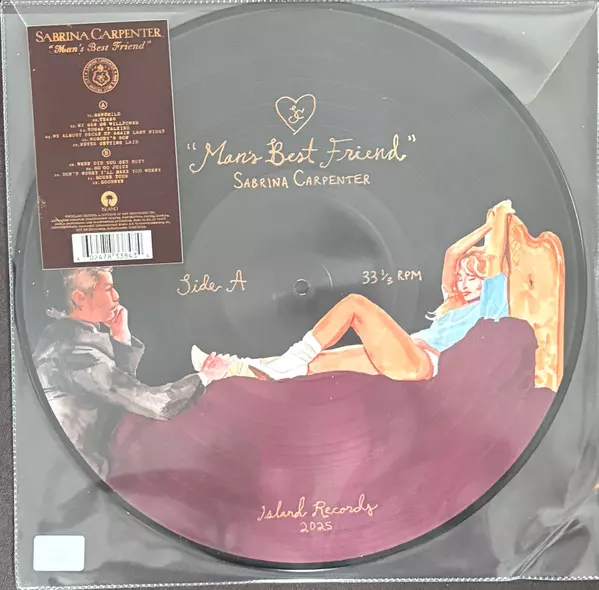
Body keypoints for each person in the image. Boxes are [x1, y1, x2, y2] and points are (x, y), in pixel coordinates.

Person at [192, 199, 514, 382]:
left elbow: (495, 260)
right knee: (313, 366)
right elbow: (452, 255)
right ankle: (228, 371)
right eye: (462, 276)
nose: (462, 281)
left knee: (356, 305)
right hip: (406, 352)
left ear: (486, 280)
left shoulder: (491, 305)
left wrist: (497, 224)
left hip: (421, 363)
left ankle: (286, 358)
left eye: (472, 277)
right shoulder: (453, 303)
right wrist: (485, 226)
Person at [34, 267, 227, 477]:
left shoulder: (60, 339)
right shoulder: (76, 353)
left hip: (76, 468)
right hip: (77, 472)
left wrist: (121, 339)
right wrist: (206, 376)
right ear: (79, 298)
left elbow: (116, 393)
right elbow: (154, 404)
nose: (116, 296)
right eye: (108, 289)